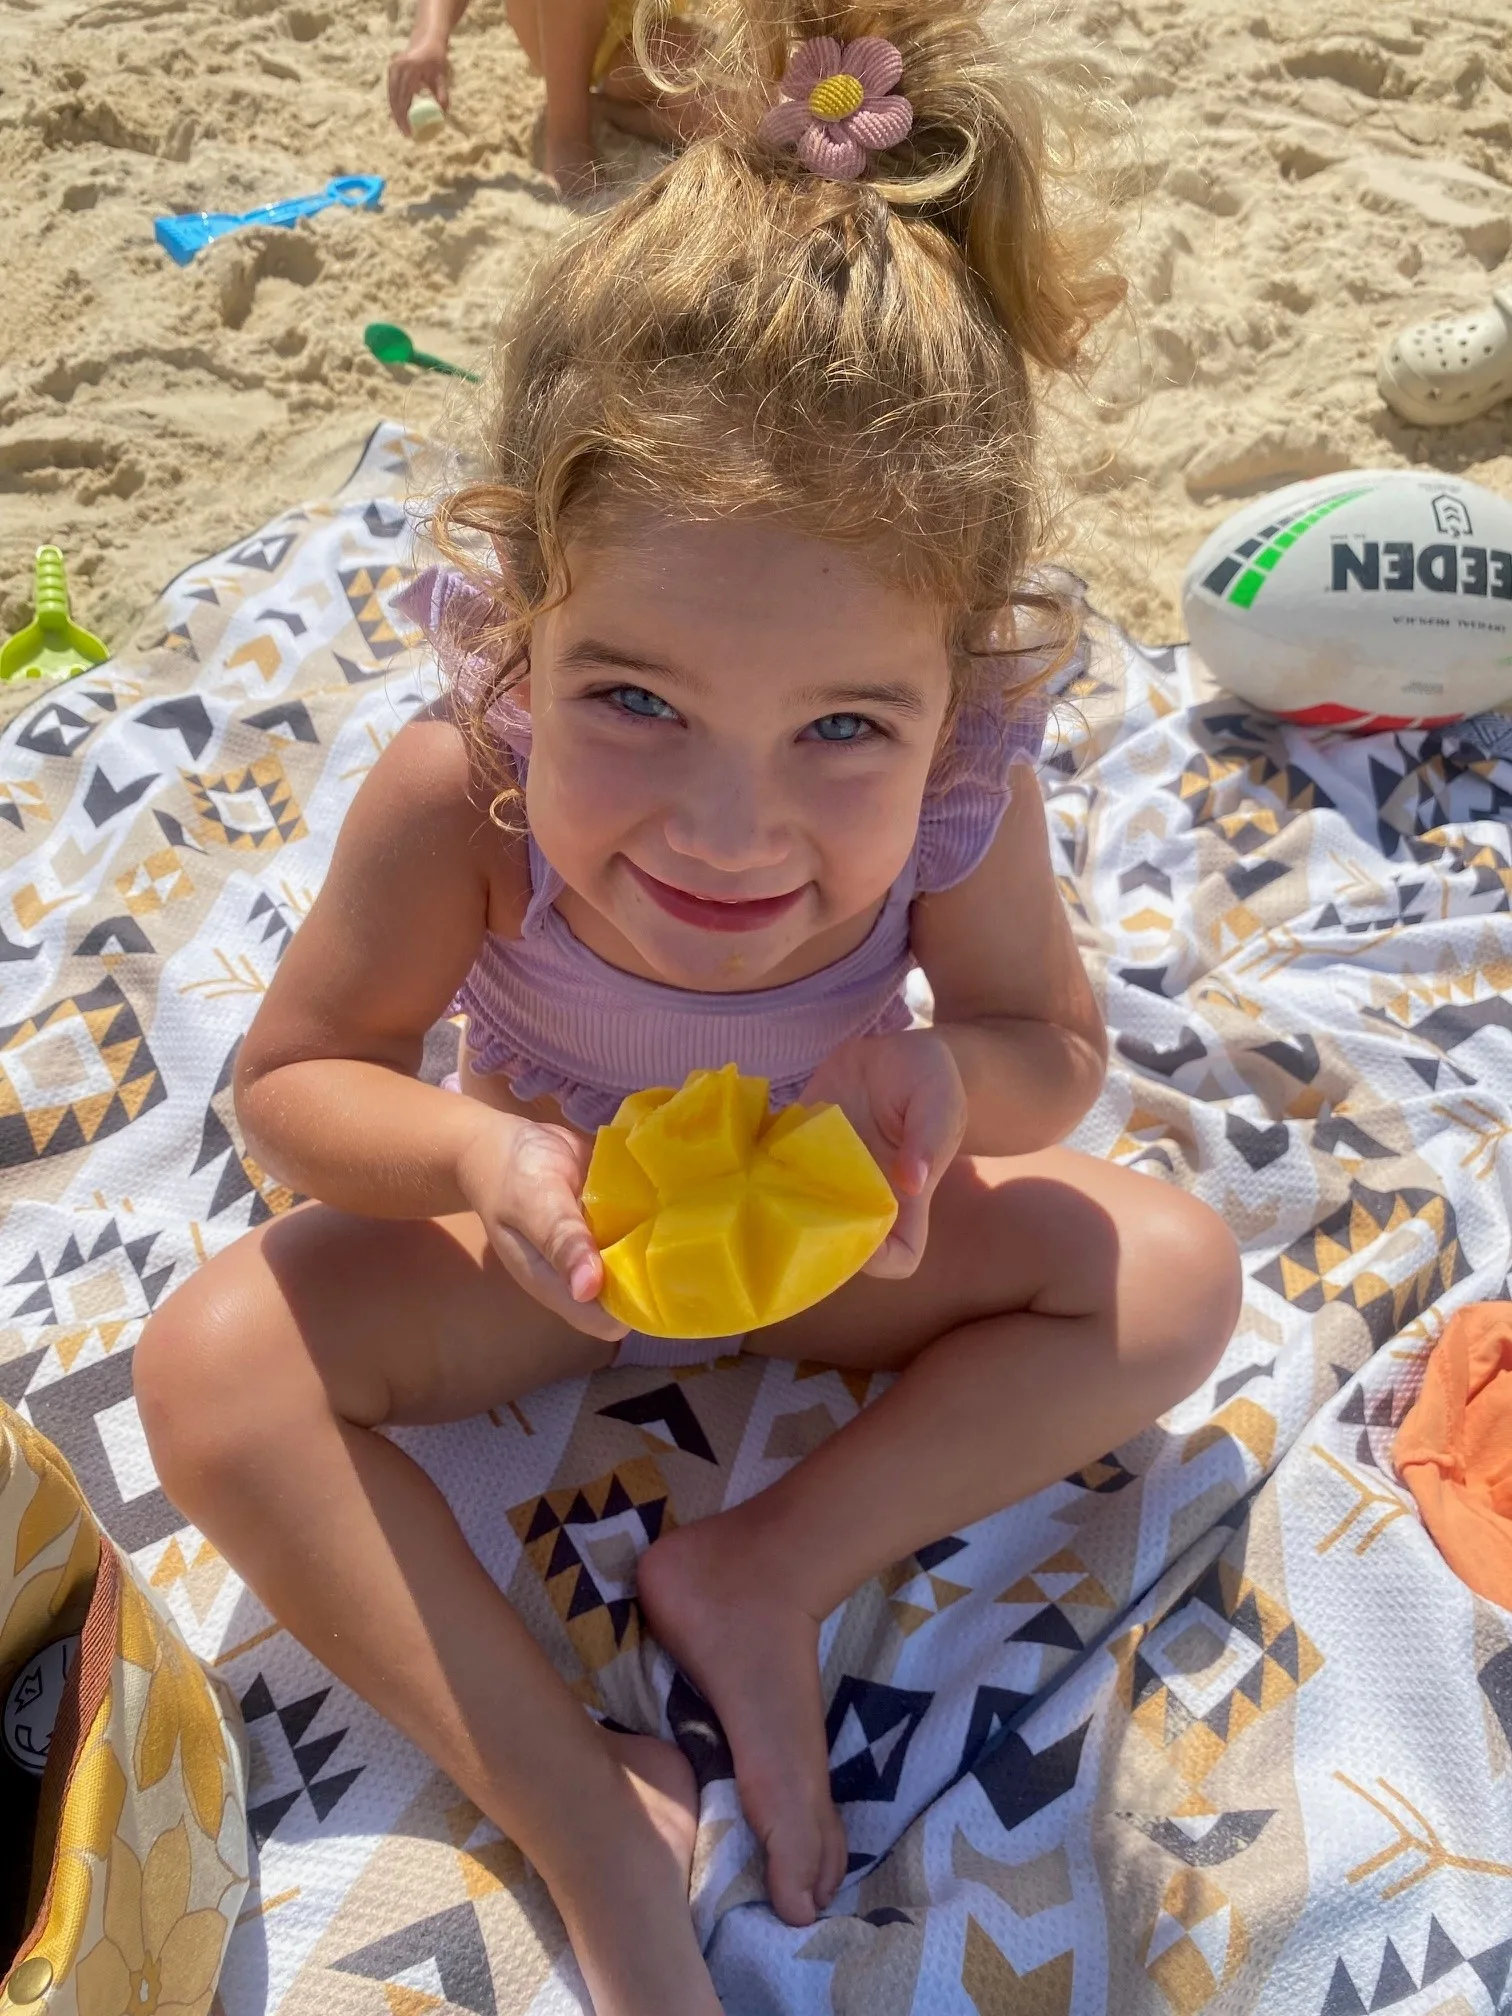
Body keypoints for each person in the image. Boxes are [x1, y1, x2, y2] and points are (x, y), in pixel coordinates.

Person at [136, 5, 1241, 2009]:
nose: (731, 829)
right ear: (524, 618)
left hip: (826, 1243)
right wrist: (484, 1154)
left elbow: (1053, 1056)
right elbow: (296, 1085)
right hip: (550, 1250)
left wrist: (933, 1080)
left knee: (1169, 1273)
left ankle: (765, 1564)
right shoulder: (458, 792)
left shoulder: (964, 785)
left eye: (842, 726)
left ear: (947, 693)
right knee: (212, 1364)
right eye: (632, 699)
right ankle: (577, 1802)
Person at [388, 0, 702, 194]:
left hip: (649, 27)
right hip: (557, 23)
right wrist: (429, 38)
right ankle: (567, 133)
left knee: (734, 113)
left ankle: (604, 109)